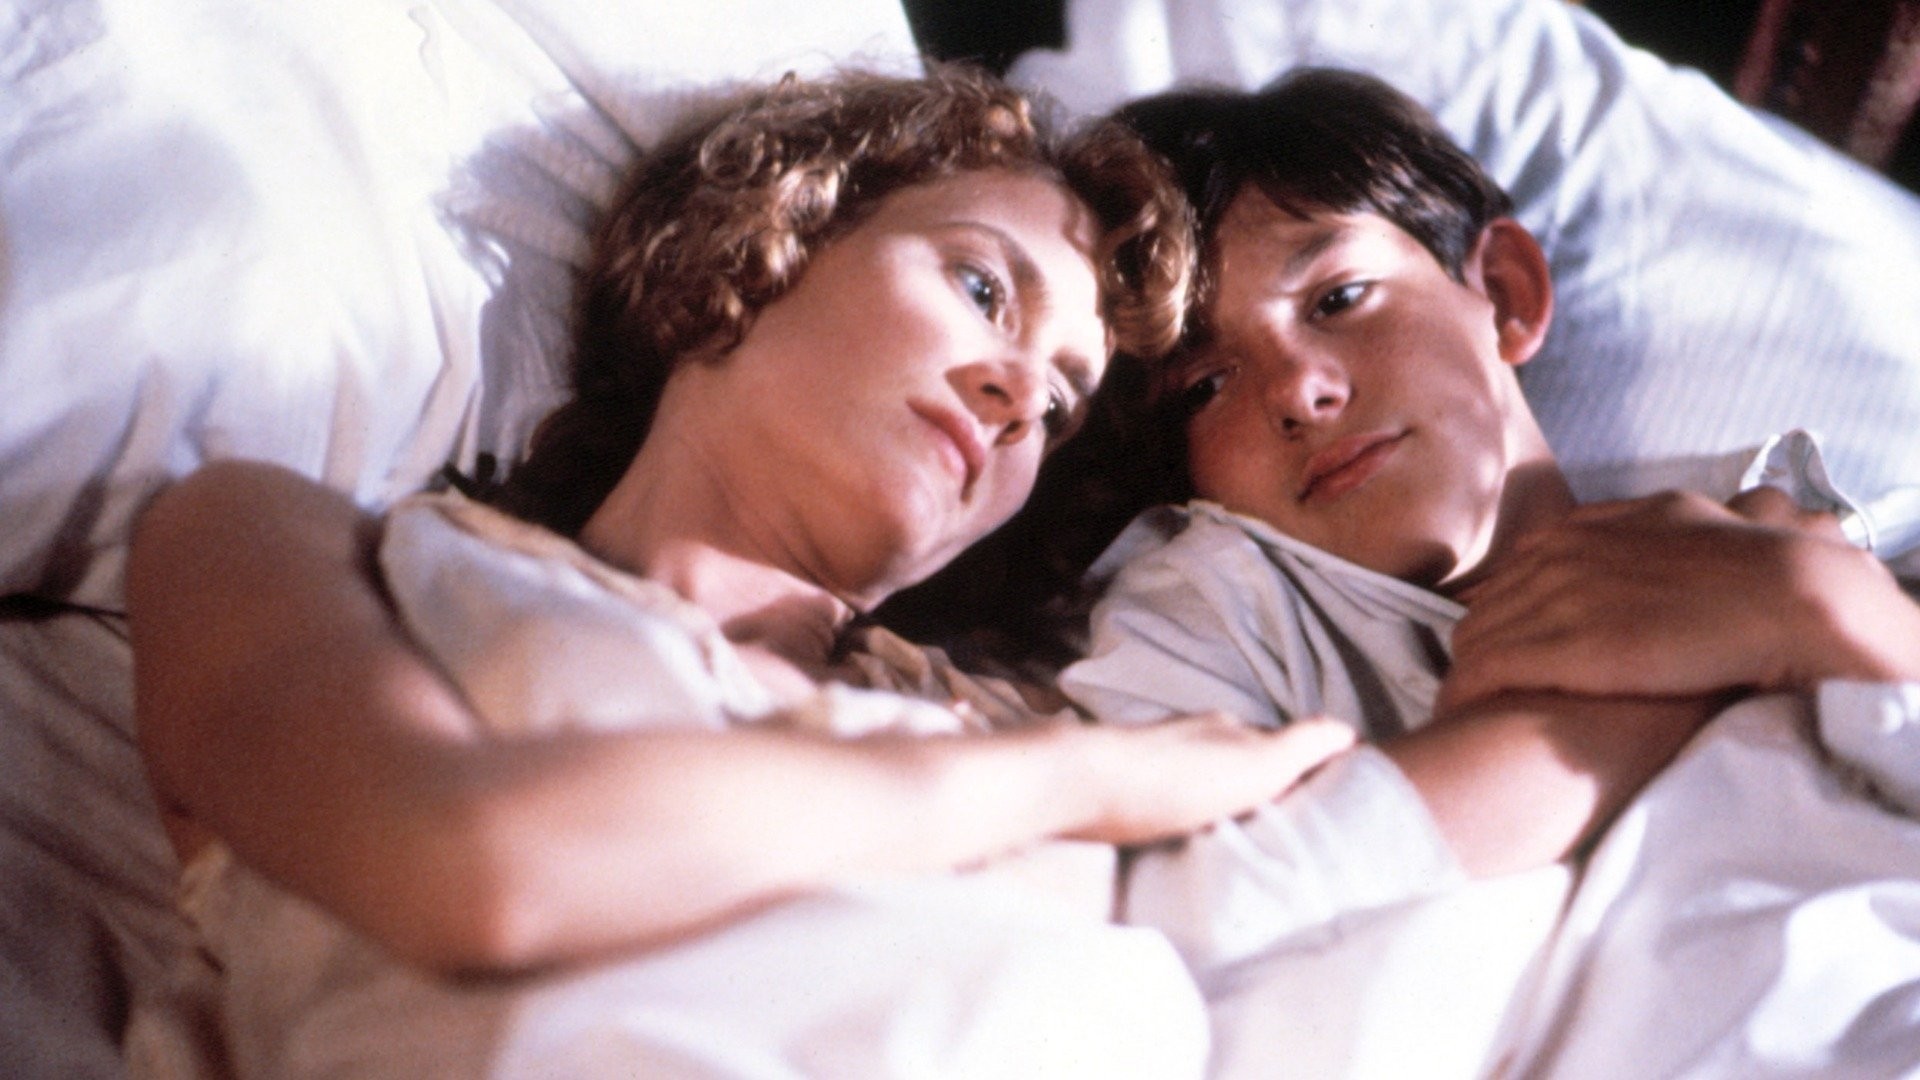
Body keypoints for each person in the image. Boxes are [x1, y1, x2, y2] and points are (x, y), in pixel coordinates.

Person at [123, 67, 1356, 1075]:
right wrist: (1076, 784)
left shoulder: (1019, 719)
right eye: (982, 288)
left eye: (1064, 403)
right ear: (763, 247)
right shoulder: (302, 551)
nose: (1020, 393)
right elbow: (474, 863)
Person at [1054, 67, 1920, 969]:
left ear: (1504, 296)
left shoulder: (1824, 537)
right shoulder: (1214, 603)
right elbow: (1179, 920)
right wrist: (1750, 640)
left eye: (1338, 299)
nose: (1299, 390)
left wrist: (1831, 604)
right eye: (1206, 385)